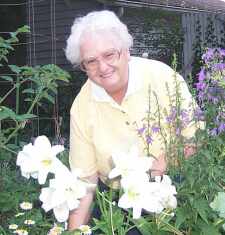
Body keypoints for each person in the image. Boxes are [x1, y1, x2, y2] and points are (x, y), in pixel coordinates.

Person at [65, 10, 200, 232]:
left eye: (110, 55)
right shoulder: (82, 106)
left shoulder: (163, 78)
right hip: (117, 201)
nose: (103, 67)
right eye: (91, 61)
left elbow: (196, 137)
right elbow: (85, 185)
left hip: (174, 186)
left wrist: (164, 163)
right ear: (83, 66)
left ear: (127, 51)